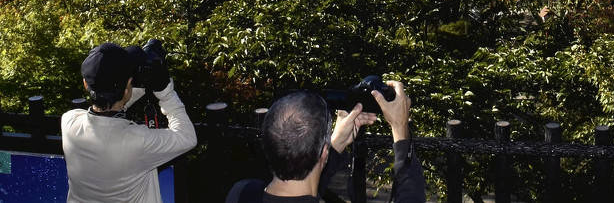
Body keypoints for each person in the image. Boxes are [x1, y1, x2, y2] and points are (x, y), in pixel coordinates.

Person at [226, 81, 425, 203]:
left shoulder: (242, 193)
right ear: (323, 152)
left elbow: (299, 194)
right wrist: (400, 129)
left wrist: (335, 144)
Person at [62, 42, 198, 203]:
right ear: (128, 86)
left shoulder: (69, 122)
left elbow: (109, 112)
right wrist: (164, 91)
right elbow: (187, 137)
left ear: (85, 83)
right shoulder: (138, 141)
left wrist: (132, 86)